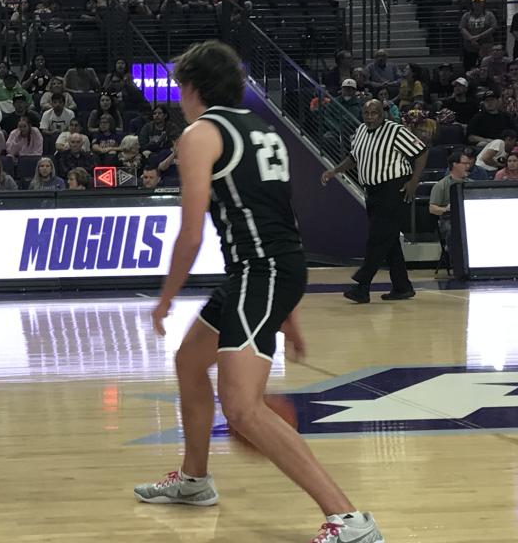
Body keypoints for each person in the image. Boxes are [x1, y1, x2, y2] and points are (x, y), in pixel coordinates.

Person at [135, 41, 385, 543]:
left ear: (191, 88)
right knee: (189, 361)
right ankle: (194, 480)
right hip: (266, 268)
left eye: (179, 86)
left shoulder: (199, 134)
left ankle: (348, 519)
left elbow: (190, 232)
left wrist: (166, 297)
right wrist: (285, 310)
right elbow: (281, 215)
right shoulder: (261, 129)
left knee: (243, 406)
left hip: (261, 269)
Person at [321, 99, 426, 303]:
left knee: (378, 238)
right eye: (367, 113)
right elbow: (354, 157)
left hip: (394, 189)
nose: (370, 117)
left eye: (374, 113)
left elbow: (422, 152)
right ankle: (402, 287)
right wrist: (335, 171)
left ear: (382, 114)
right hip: (373, 191)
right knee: (390, 240)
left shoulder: (396, 131)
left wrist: (414, 181)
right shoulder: (360, 131)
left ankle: (362, 285)